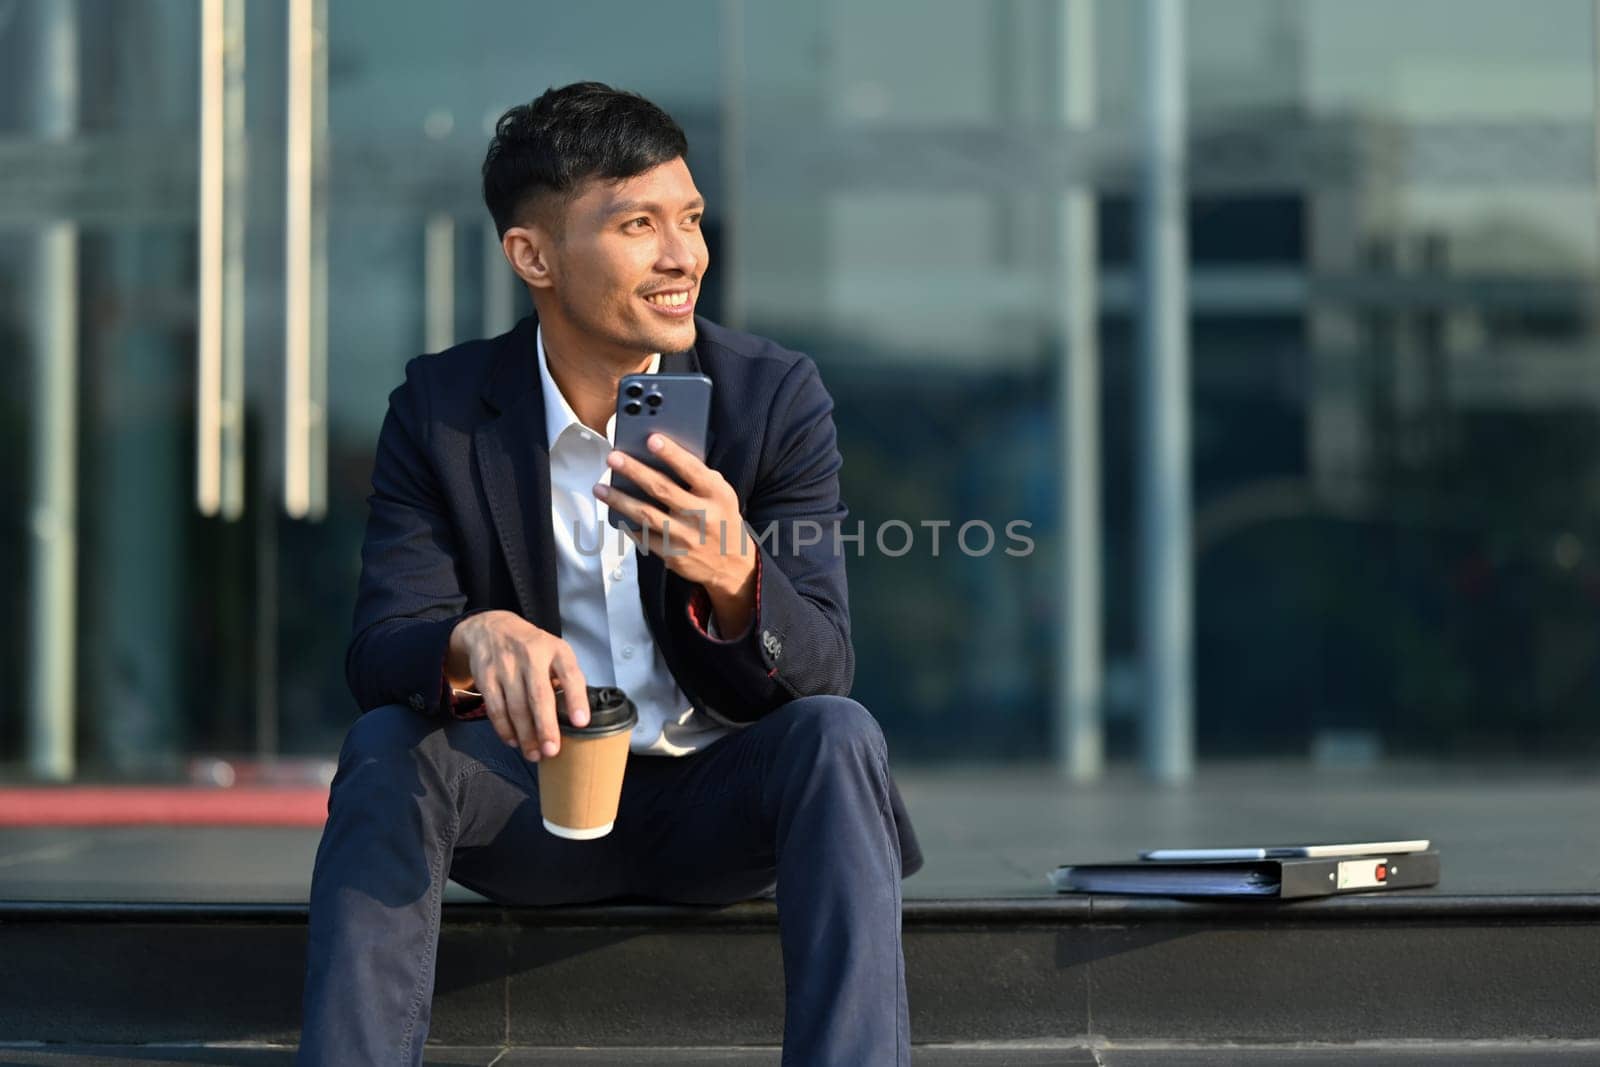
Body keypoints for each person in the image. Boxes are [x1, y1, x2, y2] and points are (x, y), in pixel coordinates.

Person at [295, 81, 923, 1067]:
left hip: (722, 805)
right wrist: (470, 641)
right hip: (533, 807)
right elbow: (383, 650)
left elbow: (823, 667)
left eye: (690, 219)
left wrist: (736, 579)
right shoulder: (443, 407)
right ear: (532, 256)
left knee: (837, 735)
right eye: (638, 223)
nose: (684, 256)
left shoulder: (771, 398)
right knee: (386, 743)